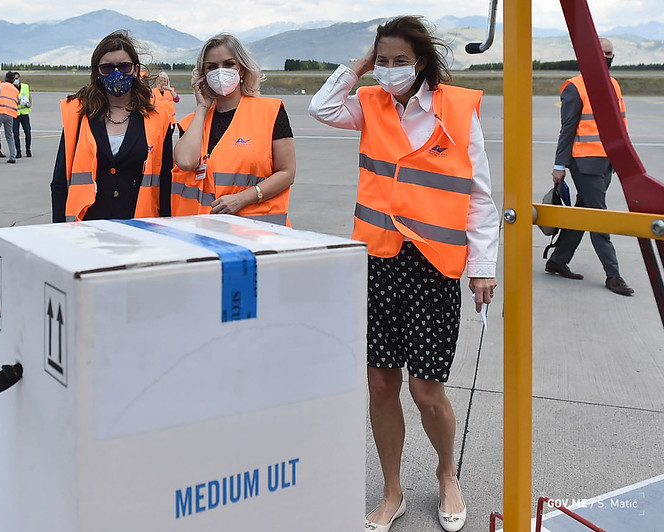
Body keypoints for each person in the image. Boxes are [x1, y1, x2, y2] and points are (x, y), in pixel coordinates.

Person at [309, 16, 498, 532]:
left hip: (434, 266)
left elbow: (480, 198)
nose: (391, 71)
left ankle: (446, 473)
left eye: (400, 60)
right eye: (383, 60)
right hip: (378, 262)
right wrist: (359, 68)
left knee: (426, 390)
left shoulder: (457, 111)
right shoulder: (369, 103)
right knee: (380, 383)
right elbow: (320, 107)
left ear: (422, 62)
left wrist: (482, 267)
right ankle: (391, 490)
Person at [172, 33, 295, 226]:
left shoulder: (270, 112)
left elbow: (287, 172)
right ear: (203, 77)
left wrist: (244, 198)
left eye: (229, 64)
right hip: (203, 234)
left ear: (242, 70)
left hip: (256, 232)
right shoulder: (192, 123)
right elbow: (186, 162)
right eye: (212, 67)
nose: (220, 72)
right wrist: (202, 108)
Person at [50, 30, 173, 222]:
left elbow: (166, 181)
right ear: (97, 72)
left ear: (135, 69)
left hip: (140, 226)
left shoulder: (157, 117)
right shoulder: (78, 114)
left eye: (124, 66)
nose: (116, 73)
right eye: (107, 67)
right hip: (88, 226)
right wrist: (59, 231)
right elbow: (59, 182)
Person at [545, 37, 634, 295]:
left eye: (611, 53)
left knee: (584, 212)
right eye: (604, 53)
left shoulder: (613, 84)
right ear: (591, 54)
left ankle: (558, 260)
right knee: (599, 219)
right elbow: (568, 129)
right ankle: (613, 275)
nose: (609, 58)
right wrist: (559, 166)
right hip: (585, 163)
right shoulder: (575, 87)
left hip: (608, 162)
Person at [12, 72, 32, 158]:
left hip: (24, 113)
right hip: (15, 113)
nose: (16, 80)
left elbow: (29, 96)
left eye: (17, 78)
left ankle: (28, 150)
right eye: (14, 79)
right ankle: (18, 151)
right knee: (16, 134)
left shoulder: (25, 86)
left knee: (27, 132)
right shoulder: (11, 88)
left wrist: (30, 104)